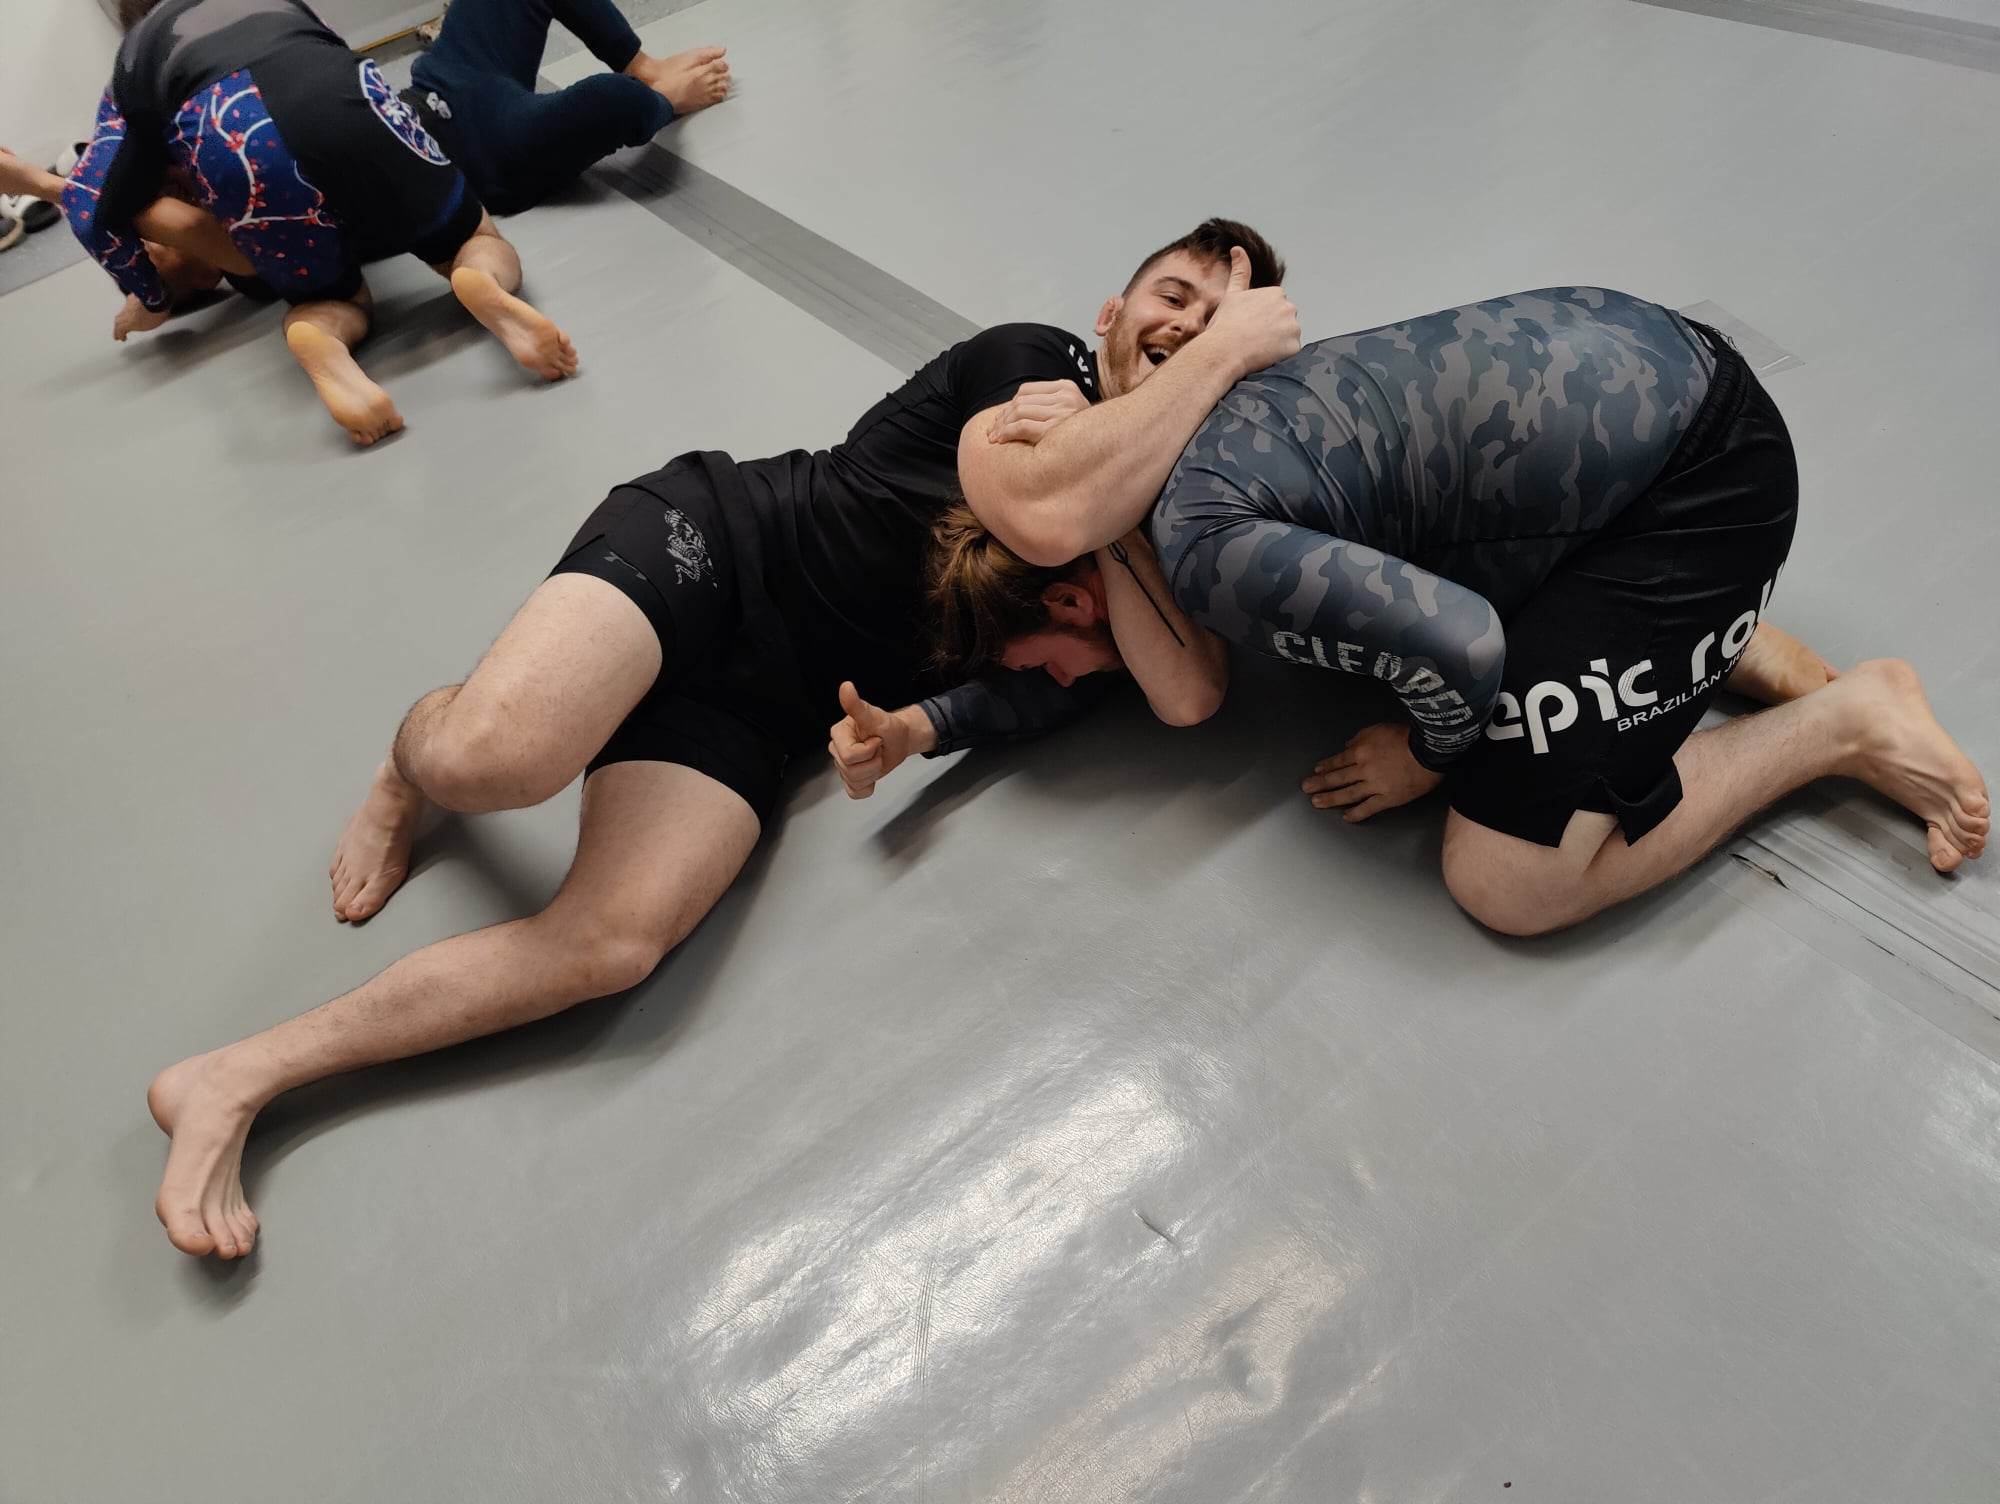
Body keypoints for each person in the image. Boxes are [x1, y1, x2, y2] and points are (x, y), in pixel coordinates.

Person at [142, 218, 1301, 1260]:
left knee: (611, 945)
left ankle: (237, 1074)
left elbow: (1183, 692)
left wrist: (925, 716)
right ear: (1111, 309)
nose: (1185, 327)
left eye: (1215, 320)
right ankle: (407, 764)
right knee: (493, 763)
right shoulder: (1028, 365)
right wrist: (1212, 365)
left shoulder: (1168, 503)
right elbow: (1047, 511)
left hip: (770, 707)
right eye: (1173, 296)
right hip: (719, 546)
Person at [1130, 286, 1986, 934]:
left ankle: (1842, 722)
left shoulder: (1202, 543)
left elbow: (1464, 645)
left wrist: (1426, 757)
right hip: (1646, 363)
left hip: (1704, 486)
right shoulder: (1202, 411)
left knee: (1506, 878)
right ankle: (1719, 640)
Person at [62, 0, 579, 447]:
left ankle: (325, 340)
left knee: (331, 301)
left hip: (239, 144)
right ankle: (480, 280)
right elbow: (324, 48)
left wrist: (150, 296)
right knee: (471, 237)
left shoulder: (132, 60)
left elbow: (90, 206)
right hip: (338, 93)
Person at [405, 0, 731, 217]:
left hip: (438, 84)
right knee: (615, 100)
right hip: (474, 153)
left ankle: (646, 69)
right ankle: (665, 95)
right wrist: (663, 102)